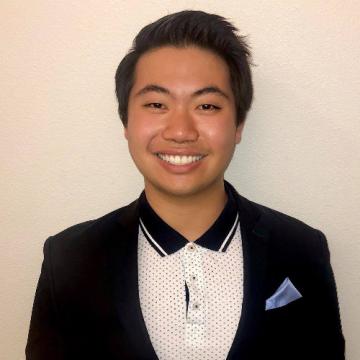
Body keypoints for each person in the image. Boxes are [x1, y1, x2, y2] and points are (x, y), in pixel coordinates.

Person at [26, 10, 345, 360]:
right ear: (126, 122)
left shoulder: (302, 249)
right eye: (156, 104)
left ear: (238, 124)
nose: (180, 131)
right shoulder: (68, 259)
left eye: (206, 105)